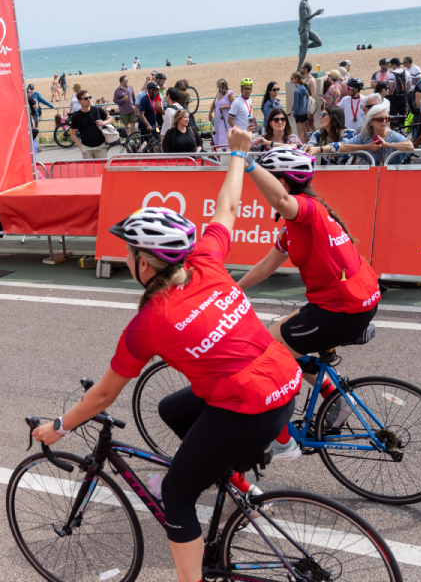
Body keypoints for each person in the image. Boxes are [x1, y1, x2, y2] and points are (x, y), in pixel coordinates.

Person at [32, 126, 300, 582]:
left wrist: (59, 427)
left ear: (145, 263)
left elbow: (103, 396)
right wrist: (238, 155)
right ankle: (233, 478)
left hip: (250, 406)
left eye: (130, 253)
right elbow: (228, 207)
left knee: (176, 493)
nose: (126, 260)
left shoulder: (151, 321)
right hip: (282, 383)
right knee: (172, 408)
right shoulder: (206, 261)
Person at [237, 145, 380, 460]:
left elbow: (281, 201)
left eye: (269, 179)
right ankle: (335, 397)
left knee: (265, 356)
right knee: (279, 339)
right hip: (350, 302)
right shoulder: (300, 221)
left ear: (281, 182)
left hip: (340, 310)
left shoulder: (306, 209)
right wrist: (235, 288)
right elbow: (268, 264)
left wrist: (246, 161)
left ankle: (282, 442)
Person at [318, 103, 412, 165]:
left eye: (387, 118)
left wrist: (387, 145)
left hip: (393, 175)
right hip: (373, 177)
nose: (384, 121)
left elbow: (410, 146)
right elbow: (342, 147)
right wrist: (367, 146)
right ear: (371, 122)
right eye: (380, 119)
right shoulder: (365, 136)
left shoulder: (393, 136)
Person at [70, 90, 112, 159]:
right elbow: (73, 134)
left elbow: (110, 118)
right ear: (79, 101)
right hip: (86, 148)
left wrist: (104, 122)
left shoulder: (97, 110)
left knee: (102, 166)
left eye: (89, 97)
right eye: (86, 98)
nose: (89, 99)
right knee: (88, 167)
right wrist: (80, 146)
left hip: (100, 147)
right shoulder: (76, 116)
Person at [297, 0, 324, 72]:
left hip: (308, 28)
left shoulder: (306, 3)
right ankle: (298, 70)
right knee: (304, 51)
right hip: (303, 29)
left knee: (318, 42)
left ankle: (303, 47)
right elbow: (304, 18)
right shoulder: (303, 3)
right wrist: (315, 13)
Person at [209, 78, 235, 149]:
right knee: (220, 134)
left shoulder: (230, 94)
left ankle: (231, 152)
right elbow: (214, 103)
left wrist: (225, 107)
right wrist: (210, 113)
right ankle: (223, 153)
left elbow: (235, 105)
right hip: (219, 119)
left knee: (226, 134)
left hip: (226, 119)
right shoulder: (218, 94)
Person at [291, 73, 309, 143]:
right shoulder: (303, 88)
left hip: (299, 113)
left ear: (296, 79)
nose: (290, 79)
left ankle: (303, 148)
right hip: (304, 112)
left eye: (292, 78)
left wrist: (294, 114)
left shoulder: (296, 91)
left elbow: (296, 105)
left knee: (300, 133)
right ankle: (306, 145)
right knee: (304, 132)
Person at [300, 62, 318, 133]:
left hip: (308, 107)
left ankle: (317, 137)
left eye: (301, 68)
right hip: (303, 107)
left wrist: (308, 107)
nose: (300, 69)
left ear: (306, 69)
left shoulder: (311, 80)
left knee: (311, 124)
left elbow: (313, 94)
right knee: (305, 125)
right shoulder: (305, 79)